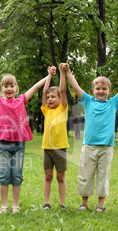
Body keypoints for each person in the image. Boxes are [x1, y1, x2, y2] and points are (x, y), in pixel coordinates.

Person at [0, 63, 52, 214]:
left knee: (17, 175)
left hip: (19, 144)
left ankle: (15, 205)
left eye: (11, 86)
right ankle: (4, 205)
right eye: (6, 86)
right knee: (4, 175)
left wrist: (49, 76)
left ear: (16, 87)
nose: (9, 89)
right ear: (2, 88)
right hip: (4, 145)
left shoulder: (21, 100)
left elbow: (36, 87)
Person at [64, 59, 118, 213]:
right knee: (85, 175)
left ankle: (100, 205)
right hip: (88, 146)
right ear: (93, 90)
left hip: (106, 148)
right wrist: (68, 71)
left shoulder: (113, 103)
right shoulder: (88, 101)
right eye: (97, 88)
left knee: (103, 176)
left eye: (104, 88)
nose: (101, 91)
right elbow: (75, 86)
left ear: (109, 91)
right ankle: (84, 203)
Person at [41, 65, 68, 210]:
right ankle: (46, 202)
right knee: (48, 176)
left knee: (60, 177)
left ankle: (62, 203)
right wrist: (49, 75)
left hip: (61, 148)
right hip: (47, 148)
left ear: (59, 98)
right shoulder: (46, 110)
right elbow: (44, 91)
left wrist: (62, 73)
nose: (50, 99)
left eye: (53, 97)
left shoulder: (62, 109)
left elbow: (63, 90)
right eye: (49, 97)